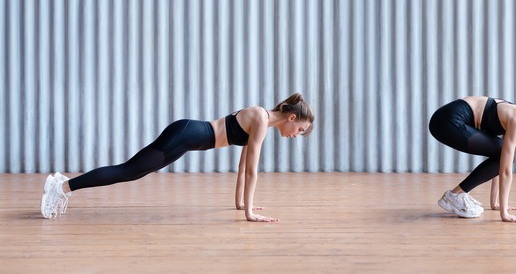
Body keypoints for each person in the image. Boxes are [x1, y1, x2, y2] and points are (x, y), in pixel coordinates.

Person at [40, 93, 314, 222]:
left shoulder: (261, 121)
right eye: (299, 130)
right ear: (291, 118)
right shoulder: (260, 117)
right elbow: (253, 170)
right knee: (128, 171)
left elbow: (243, 165)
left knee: (131, 171)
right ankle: (61, 187)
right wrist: (250, 214)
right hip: (185, 135)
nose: (295, 135)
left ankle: (63, 185)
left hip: (185, 136)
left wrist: (242, 204)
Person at [428, 96, 516, 222]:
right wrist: (505, 214)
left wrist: (495, 203)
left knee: (501, 153)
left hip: (445, 120)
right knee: (508, 156)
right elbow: (506, 171)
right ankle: (455, 195)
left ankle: (457, 194)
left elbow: (500, 160)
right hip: (447, 121)